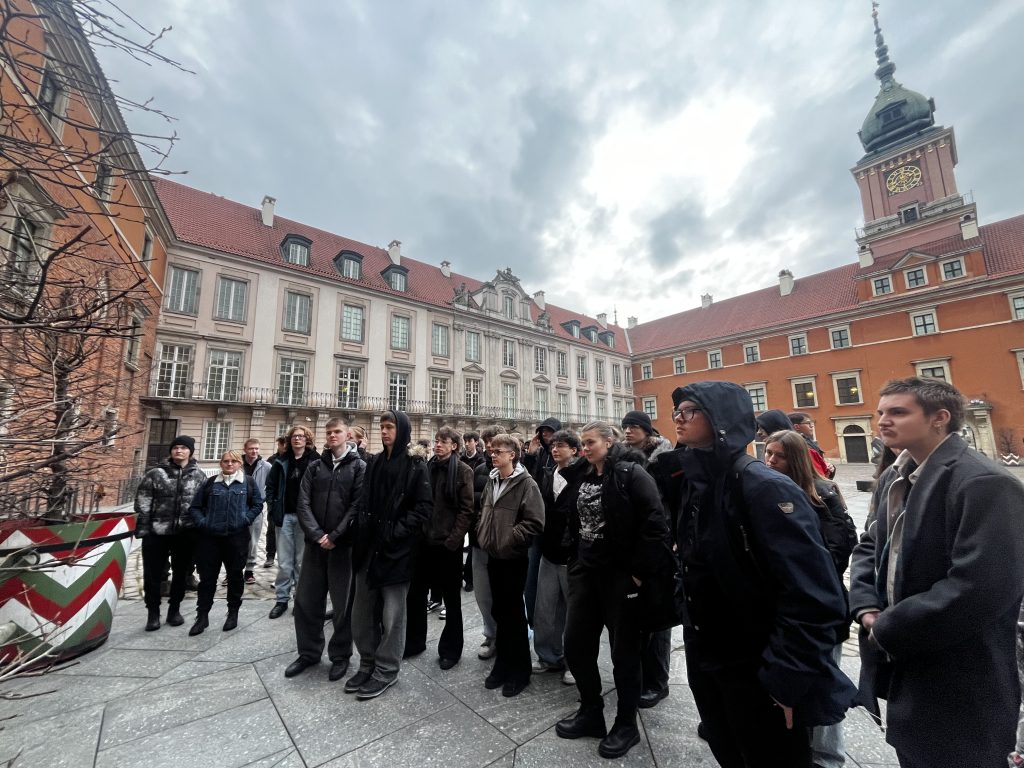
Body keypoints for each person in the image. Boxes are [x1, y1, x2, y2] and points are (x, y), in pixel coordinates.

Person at [671, 382, 856, 767]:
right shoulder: (697, 480)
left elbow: (814, 594)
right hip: (708, 650)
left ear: (720, 419)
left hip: (757, 664)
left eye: (690, 411)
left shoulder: (763, 486)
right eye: (678, 411)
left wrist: (787, 679)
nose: (678, 418)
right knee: (727, 748)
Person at [849, 377, 1024, 766]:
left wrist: (889, 626)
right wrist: (864, 606)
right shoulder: (896, 475)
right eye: (880, 412)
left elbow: (981, 587)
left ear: (939, 418)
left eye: (898, 412)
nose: (882, 421)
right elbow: (869, 545)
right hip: (908, 659)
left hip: (961, 670)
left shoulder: (984, 482)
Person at [554, 421, 675, 759]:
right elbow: (571, 519)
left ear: (609, 442)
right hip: (586, 574)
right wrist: (574, 555)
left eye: (590, 442)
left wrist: (636, 574)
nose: (584, 447)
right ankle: (591, 711)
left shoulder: (631, 474)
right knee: (576, 646)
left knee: (624, 655)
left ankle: (625, 724)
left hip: (619, 579)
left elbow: (655, 523)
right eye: (582, 443)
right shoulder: (583, 475)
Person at [764, 430, 859, 768]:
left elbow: (839, 549)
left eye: (779, 455)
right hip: (784, 604)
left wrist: (800, 572)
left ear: (797, 459)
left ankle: (827, 758)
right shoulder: (768, 491)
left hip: (822, 605)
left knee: (822, 681)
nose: (771, 460)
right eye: (768, 454)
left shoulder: (822, 493)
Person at [346, 410, 431, 700]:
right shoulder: (375, 462)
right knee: (361, 611)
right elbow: (363, 500)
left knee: (393, 614)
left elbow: (423, 509)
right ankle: (367, 662)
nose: (384, 432)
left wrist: (394, 532)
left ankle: (386, 669)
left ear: (402, 430)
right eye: (381, 427)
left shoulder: (415, 466)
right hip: (368, 547)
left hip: (396, 551)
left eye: (390, 427)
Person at [284, 418, 364, 681]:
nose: (332, 436)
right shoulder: (315, 466)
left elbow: (357, 505)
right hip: (315, 545)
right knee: (306, 601)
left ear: (347, 435)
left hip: (343, 547)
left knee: (342, 606)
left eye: (337, 432)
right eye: (329, 432)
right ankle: (308, 652)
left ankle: (340, 655)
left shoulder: (359, 467)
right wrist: (318, 535)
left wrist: (336, 536)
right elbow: (302, 502)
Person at [476, 433, 544, 697]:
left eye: (498, 452)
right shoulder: (493, 479)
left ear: (512, 455)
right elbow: (484, 509)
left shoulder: (527, 484)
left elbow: (535, 522)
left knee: (514, 614)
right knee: (500, 611)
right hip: (493, 554)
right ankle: (503, 664)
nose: (493, 455)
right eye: (492, 451)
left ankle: (521, 671)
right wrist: (484, 533)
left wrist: (509, 538)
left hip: (513, 557)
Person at [620, 409, 675, 710]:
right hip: (634, 543)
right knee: (637, 617)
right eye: (625, 427)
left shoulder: (663, 460)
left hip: (658, 541)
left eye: (633, 427)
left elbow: (672, 501)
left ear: (647, 430)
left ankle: (658, 682)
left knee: (658, 618)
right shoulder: (626, 458)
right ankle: (641, 675)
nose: (628, 431)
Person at [406, 426, 474, 668]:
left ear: (454, 445)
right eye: (436, 441)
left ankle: (451, 650)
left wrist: (453, 541)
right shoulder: (427, 467)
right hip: (424, 542)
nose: (437, 445)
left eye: (443, 441)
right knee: (415, 596)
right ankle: (414, 641)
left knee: (452, 600)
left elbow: (466, 510)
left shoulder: (463, 471)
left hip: (447, 545)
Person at [133, 435, 206, 631]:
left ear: (190, 451)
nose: (179, 451)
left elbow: (203, 505)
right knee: (153, 574)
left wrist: (199, 529)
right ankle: (153, 613)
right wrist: (145, 529)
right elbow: (143, 501)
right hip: (157, 532)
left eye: (183, 448)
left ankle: (174, 610)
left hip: (185, 533)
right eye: (176, 447)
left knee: (181, 574)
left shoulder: (199, 475)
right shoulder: (155, 474)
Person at [188, 450, 263, 635]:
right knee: (207, 579)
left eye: (234, 461)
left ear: (239, 464)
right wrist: (203, 523)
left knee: (235, 576)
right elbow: (195, 507)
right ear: (221, 464)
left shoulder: (248, 483)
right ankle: (202, 616)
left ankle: (233, 612)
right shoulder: (211, 483)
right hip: (210, 538)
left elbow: (257, 504)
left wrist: (245, 519)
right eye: (226, 461)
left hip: (236, 537)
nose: (229, 464)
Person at [532, 428, 580, 686]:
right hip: (549, 552)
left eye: (561, 445)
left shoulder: (583, 477)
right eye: (554, 445)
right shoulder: (548, 474)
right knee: (545, 608)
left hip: (572, 555)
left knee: (574, 614)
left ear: (574, 450)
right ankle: (547, 655)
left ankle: (574, 662)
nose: (555, 448)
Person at [265, 426, 320, 619]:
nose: (297, 439)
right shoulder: (281, 460)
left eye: (301, 436)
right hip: (285, 515)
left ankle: (300, 599)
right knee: (285, 562)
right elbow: (270, 487)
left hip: (305, 518)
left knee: (301, 562)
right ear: (290, 440)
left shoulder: (315, 460)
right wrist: (272, 508)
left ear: (307, 439)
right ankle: (281, 600)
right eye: (294, 436)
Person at [471, 425, 507, 660]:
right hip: (479, 540)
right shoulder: (480, 469)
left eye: (494, 444)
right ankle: (491, 634)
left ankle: (506, 636)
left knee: (504, 594)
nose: (491, 448)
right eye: (488, 444)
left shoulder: (516, 472)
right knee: (483, 594)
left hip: (503, 544)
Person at [522, 418, 562, 625]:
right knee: (531, 573)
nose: (545, 435)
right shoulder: (538, 455)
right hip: (536, 520)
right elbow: (526, 478)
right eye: (543, 431)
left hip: (554, 525)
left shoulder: (560, 455)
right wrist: (530, 454)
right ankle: (532, 616)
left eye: (549, 431)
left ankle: (552, 619)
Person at [241, 438, 271, 585]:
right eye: (251, 448)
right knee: (234, 540)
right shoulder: (237, 464)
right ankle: (231, 571)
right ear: (245, 449)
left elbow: (272, 485)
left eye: (257, 449)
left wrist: (263, 499)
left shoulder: (266, 466)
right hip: (237, 507)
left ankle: (249, 570)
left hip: (255, 508)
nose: (254, 451)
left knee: (252, 540)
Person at [460, 430, 485, 592]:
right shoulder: (460, 459)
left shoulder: (482, 461)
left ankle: (469, 577)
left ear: (476, 442)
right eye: (466, 441)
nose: (467, 444)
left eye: (470, 441)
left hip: (475, 509)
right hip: (461, 508)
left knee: (474, 546)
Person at [788, 412, 836, 479]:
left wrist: (829, 467)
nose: (811, 426)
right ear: (796, 426)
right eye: (808, 423)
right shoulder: (796, 446)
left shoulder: (809, 442)